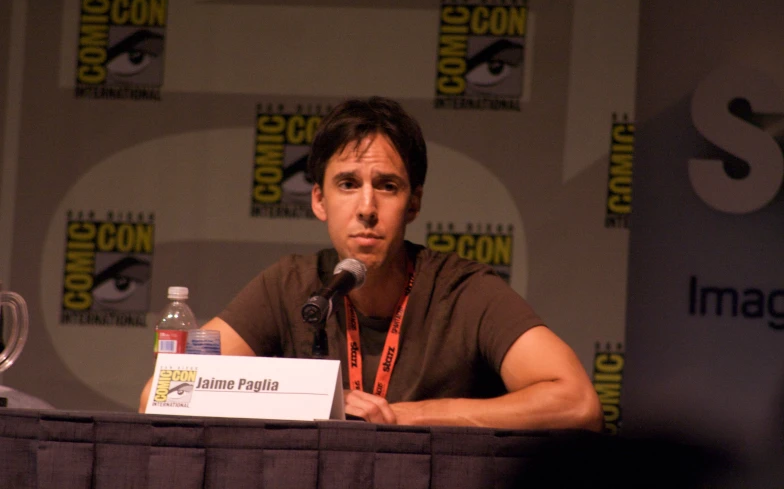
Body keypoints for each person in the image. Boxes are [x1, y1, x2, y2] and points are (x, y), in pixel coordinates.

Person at [139, 97, 603, 431]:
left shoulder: (462, 291)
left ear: (414, 202)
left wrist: (407, 416)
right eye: (346, 184)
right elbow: (159, 395)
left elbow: (577, 402)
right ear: (319, 200)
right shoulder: (293, 286)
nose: (366, 206)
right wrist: (309, 401)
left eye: (386, 185)